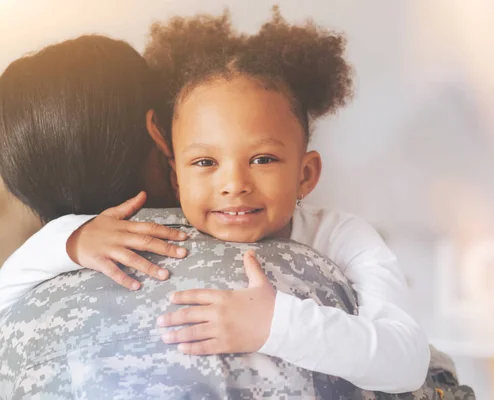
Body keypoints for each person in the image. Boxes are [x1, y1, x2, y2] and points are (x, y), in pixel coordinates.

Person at [0, 9, 430, 393]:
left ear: (306, 173)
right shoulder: (108, 239)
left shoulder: (342, 236)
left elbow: (407, 361)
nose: (234, 184)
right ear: (173, 167)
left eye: (262, 158)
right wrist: (71, 239)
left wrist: (278, 325)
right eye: (205, 161)